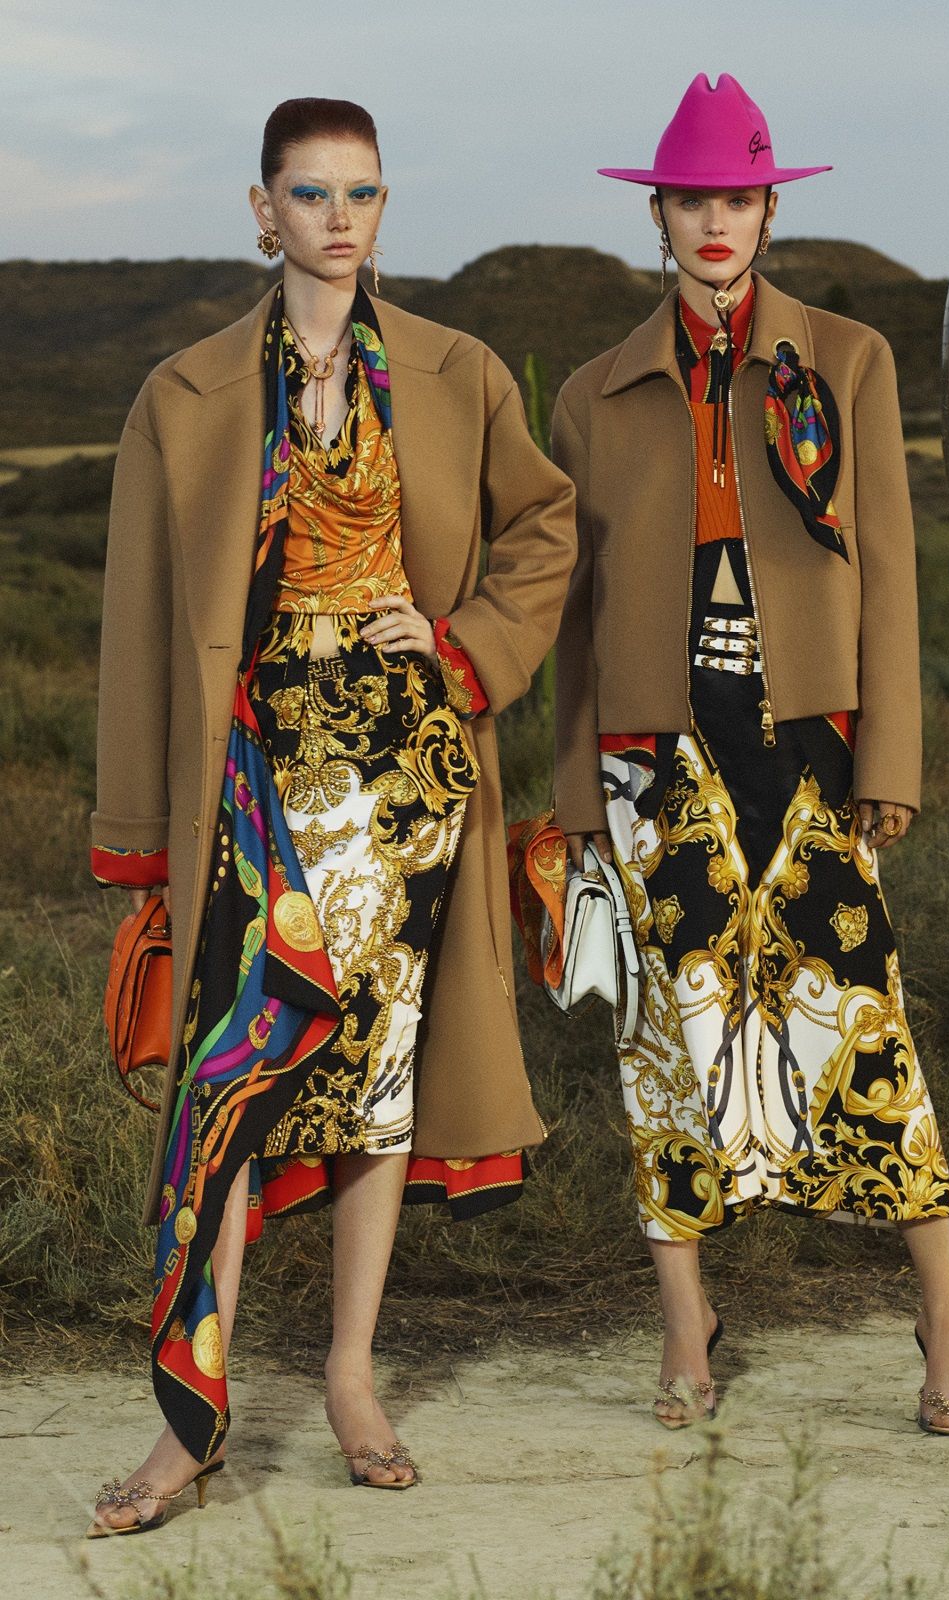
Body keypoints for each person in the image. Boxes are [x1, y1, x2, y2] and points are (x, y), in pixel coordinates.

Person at [89, 96, 575, 1532]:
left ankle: (353, 1375)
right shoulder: (183, 391)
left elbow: (545, 525)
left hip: (404, 777)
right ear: (263, 211)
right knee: (227, 1086)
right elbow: (135, 621)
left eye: (362, 191)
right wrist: (140, 831)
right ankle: (189, 1418)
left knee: (377, 1080)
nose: (339, 216)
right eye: (311, 193)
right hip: (247, 778)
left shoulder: (455, 369)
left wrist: (465, 638)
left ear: (383, 205)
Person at [552, 73, 949, 1437]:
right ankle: (686, 1328)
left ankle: (945, 1316)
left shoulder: (846, 360)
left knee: (861, 1025)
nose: (714, 221)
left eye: (736, 197)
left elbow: (891, 567)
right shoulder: (592, 394)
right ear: (658, 216)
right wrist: (576, 795)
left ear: (768, 209)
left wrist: (891, 759)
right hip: (653, 750)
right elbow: (573, 615)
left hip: (812, 738)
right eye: (690, 199)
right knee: (664, 1043)